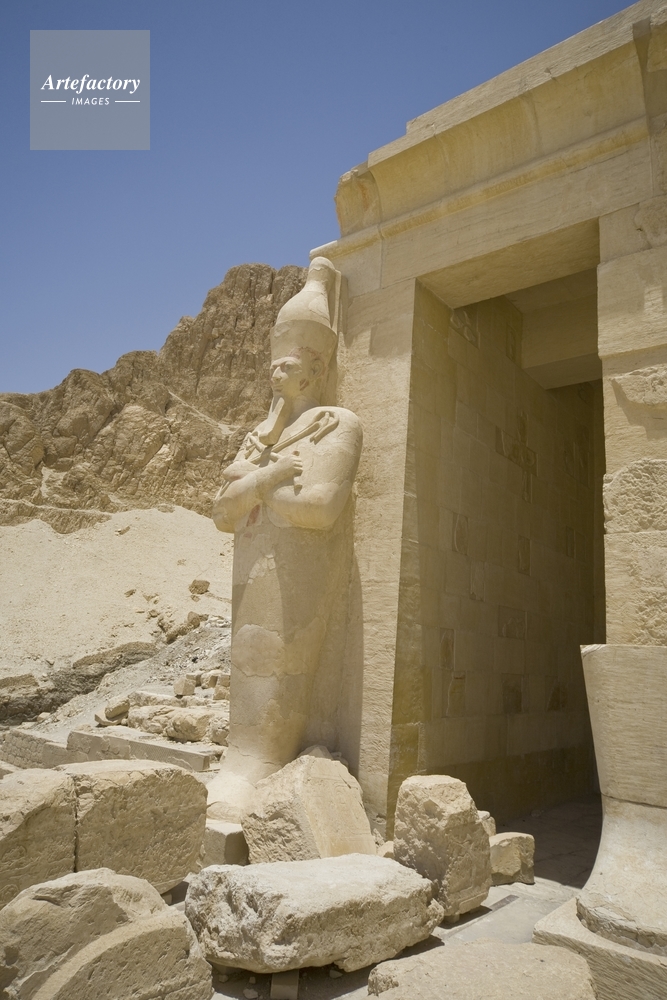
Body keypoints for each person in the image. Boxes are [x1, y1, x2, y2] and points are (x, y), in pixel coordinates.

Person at [207, 257, 362, 820]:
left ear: (317, 368)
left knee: (284, 663)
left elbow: (320, 509)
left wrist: (256, 484)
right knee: (249, 658)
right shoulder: (260, 436)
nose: (276, 374)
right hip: (253, 566)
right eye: (273, 364)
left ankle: (268, 763)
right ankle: (242, 760)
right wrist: (269, 476)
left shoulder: (338, 424)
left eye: (290, 364)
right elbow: (222, 511)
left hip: (303, 573)